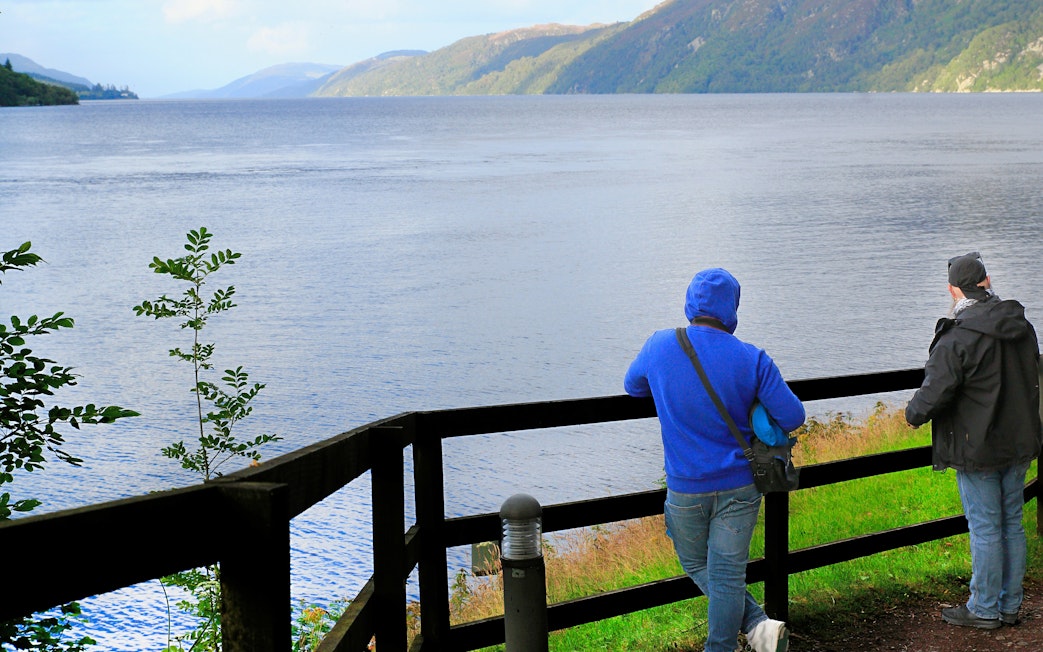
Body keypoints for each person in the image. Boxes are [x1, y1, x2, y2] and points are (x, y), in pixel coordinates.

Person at [624, 268, 805, 652]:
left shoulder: (659, 346)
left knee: (697, 566)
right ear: (732, 309)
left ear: (691, 303)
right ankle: (757, 627)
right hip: (741, 485)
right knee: (725, 575)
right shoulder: (752, 358)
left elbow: (633, 386)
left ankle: (737, 638)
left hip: (686, 487)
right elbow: (792, 417)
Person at [905, 251, 1042, 630]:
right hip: (1018, 441)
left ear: (953, 290)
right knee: (1012, 523)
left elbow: (933, 393)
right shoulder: (1020, 324)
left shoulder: (959, 336)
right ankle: (1009, 605)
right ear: (986, 282)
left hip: (977, 445)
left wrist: (911, 414)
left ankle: (984, 608)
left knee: (985, 527)